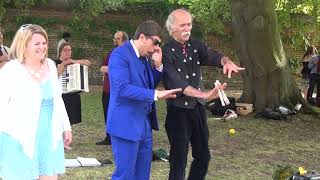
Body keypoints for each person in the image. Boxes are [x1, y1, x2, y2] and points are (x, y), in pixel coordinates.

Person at [162, 9, 244, 180]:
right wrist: (205, 95)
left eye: (189, 24)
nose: (187, 28)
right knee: (178, 160)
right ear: (172, 28)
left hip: (198, 111)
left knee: (203, 156)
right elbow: (177, 84)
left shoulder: (196, 45)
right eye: (182, 25)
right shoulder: (166, 51)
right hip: (178, 112)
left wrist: (226, 62)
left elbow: (214, 56)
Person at [107, 20, 182, 180]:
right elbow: (121, 88)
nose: (156, 48)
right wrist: (156, 94)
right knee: (125, 176)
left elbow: (148, 83)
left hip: (144, 125)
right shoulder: (120, 55)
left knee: (143, 176)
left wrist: (158, 65)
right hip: (125, 125)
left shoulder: (145, 58)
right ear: (142, 37)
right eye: (155, 43)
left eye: (159, 44)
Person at [0, 24, 72, 180]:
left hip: (49, 134)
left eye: (44, 43)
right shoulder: (11, 70)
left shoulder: (51, 66)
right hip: (18, 137)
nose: (42, 47)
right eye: (37, 44)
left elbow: (58, 99)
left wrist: (66, 127)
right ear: (24, 45)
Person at [96, 30, 129, 146]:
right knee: (108, 114)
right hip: (108, 90)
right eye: (114, 38)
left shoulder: (128, 54)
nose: (115, 41)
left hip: (121, 91)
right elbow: (102, 68)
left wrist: (112, 69)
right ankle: (109, 137)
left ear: (124, 40)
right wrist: (116, 69)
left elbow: (128, 70)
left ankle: (120, 138)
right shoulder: (112, 53)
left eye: (118, 39)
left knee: (120, 115)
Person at [55, 42, 91, 125]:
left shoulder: (74, 62)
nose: (68, 52)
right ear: (60, 52)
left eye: (69, 50)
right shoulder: (54, 62)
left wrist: (72, 61)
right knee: (60, 122)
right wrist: (64, 63)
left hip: (74, 97)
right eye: (65, 50)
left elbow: (88, 63)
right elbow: (55, 75)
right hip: (61, 97)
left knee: (70, 123)